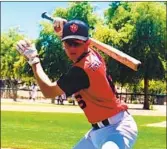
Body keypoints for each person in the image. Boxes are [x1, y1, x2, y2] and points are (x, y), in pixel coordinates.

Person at [16, 18, 138, 149]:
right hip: (97, 132)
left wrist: (34, 60)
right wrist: (65, 31)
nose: (72, 48)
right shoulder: (92, 54)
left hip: (117, 129)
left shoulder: (82, 70)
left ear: (87, 43)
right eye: (68, 43)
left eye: (77, 43)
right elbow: (74, 47)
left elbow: (48, 91)